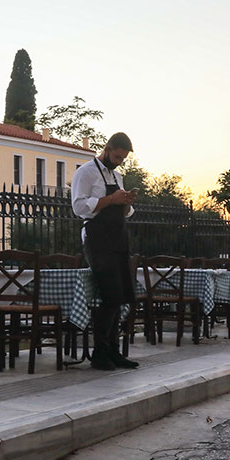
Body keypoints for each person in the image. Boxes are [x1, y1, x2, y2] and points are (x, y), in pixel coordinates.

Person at [71, 132, 139, 371]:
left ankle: (113, 350)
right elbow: (79, 207)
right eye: (118, 156)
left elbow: (124, 211)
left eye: (123, 158)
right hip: (97, 239)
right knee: (108, 294)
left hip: (118, 239)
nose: (119, 161)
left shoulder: (117, 176)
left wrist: (127, 202)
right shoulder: (86, 172)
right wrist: (111, 199)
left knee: (120, 295)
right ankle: (99, 352)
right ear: (107, 148)